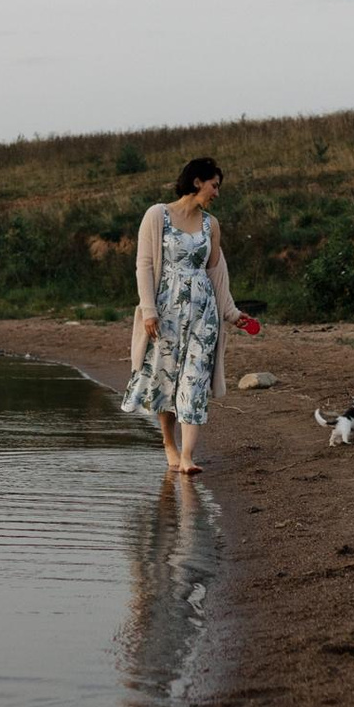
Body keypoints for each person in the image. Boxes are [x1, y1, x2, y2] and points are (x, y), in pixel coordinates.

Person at [120, 157, 251, 474]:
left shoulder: (211, 225)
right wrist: (148, 309)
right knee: (165, 380)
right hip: (165, 313)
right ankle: (169, 444)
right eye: (214, 185)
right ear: (197, 182)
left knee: (195, 381)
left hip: (203, 315)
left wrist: (231, 313)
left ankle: (189, 456)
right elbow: (145, 265)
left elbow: (217, 274)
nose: (216, 193)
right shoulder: (157, 215)